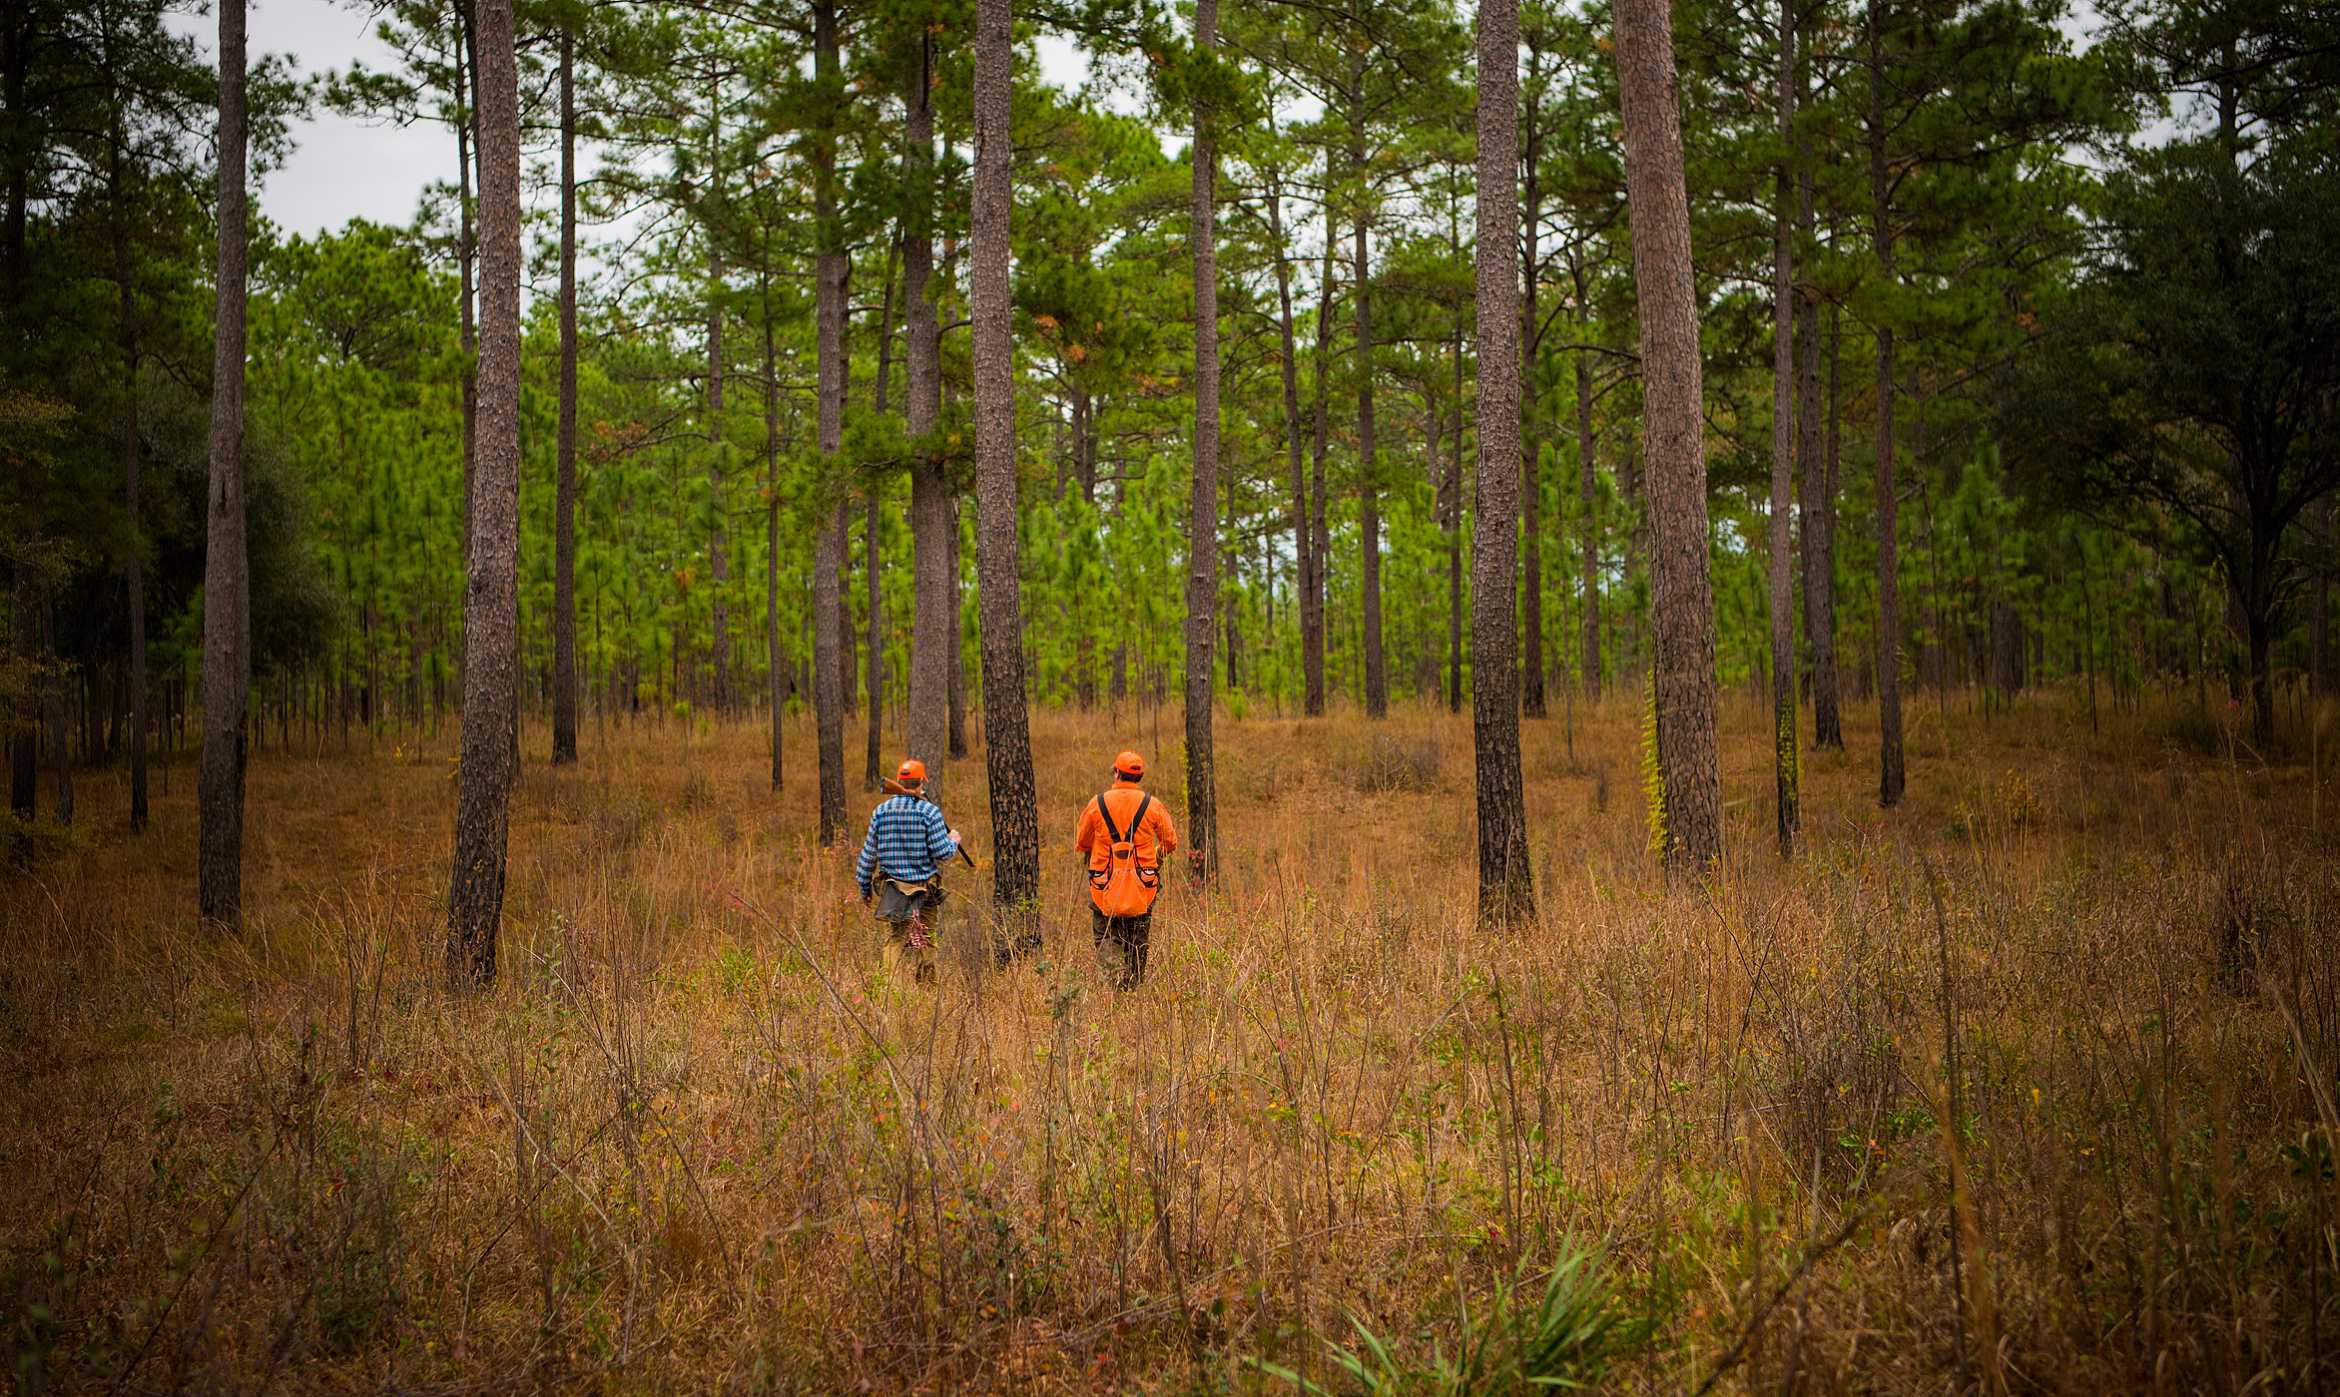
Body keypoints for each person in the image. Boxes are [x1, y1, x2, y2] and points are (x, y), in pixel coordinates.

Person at [1073, 750, 1179, 989]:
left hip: (1104, 885)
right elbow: (1170, 842)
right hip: (1143, 885)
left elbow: (1081, 843)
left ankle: (1110, 987)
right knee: (1138, 937)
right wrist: (1155, 856)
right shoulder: (1152, 805)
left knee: (1105, 934)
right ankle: (1133, 987)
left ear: (1117, 772)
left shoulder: (1096, 804)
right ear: (1139, 777)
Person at [855, 758, 962, 981]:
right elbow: (943, 853)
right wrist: (954, 840)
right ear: (921, 783)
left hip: (893, 889)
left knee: (894, 940)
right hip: (926, 889)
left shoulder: (881, 811)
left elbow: (868, 855)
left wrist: (864, 886)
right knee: (927, 938)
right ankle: (927, 989)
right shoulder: (929, 812)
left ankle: (889, 993)